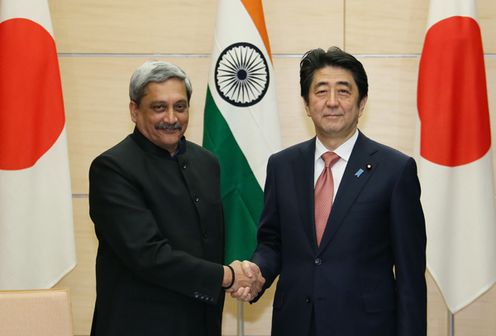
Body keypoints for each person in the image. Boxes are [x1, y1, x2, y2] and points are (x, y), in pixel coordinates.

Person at [245, 47, 427, 336]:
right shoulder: (281, 166)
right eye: (320, 92)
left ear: (361, 102)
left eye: (343, 91)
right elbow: (272, 242)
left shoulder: (395, 170)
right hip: (295, 324)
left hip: (366, 327)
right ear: (306, 103)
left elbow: (410, 275)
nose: (332, 102)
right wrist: (258, 271)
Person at [89, 61, 264, 336]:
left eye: (180, 107)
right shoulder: (112, 168)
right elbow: (148, 255)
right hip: (139, 326)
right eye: (159, 107)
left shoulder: (207, 162)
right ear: (135, 110)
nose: (171, 118)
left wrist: (245, 272)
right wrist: (228, 276)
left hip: (201, 324)